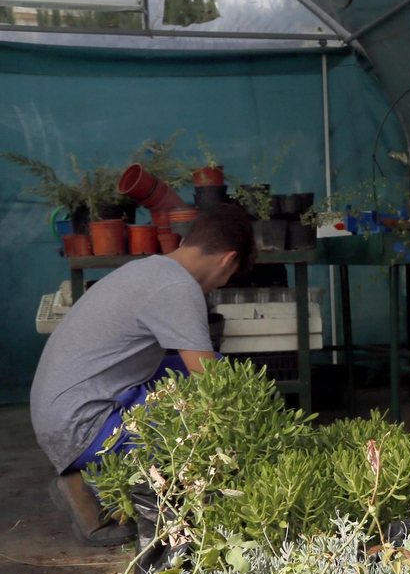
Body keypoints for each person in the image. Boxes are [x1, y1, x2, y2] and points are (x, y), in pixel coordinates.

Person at [31, 204, 254, 545]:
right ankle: (94, 488)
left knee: (213, 372)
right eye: (229, 276)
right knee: (211, 406)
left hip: (62, 413)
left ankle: (93, 478)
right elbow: (211, 386)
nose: (221, 285)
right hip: (81, 427)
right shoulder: (179, 289)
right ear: (227, 260)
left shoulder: (151, 269)